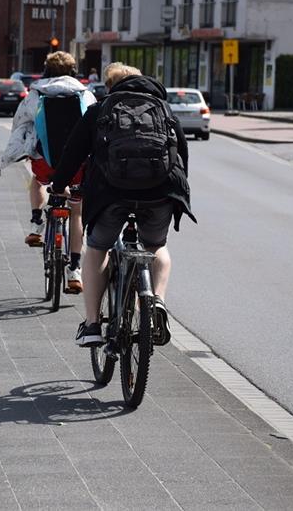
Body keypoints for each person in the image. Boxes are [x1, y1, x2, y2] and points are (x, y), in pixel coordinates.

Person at [50, 62, 195, 347]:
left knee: (97, 247)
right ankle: (157, 300)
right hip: (160, 191)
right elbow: (181, 154)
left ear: (110, 86)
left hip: (111, 193)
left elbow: (73, 152)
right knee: (156, 246)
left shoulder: (101, 110)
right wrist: (176, 191)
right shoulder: (164, 109)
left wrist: (58, 186)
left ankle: (92, 324)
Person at [1, 51, 97, 292]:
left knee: (37, 181)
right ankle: (74, 270)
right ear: (73, 71)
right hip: (76, 164)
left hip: (46, 162)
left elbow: (20, 122)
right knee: (77, 211)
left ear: (46, 71)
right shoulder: (85, 94)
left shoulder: (36, 93)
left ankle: (36, 223)